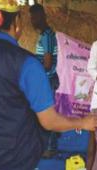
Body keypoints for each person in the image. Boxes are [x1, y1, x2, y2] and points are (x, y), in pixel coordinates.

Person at [0, 1, 97, 170]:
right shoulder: (26, 64)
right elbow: (49, 121)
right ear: (17, 23)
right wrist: (82, 122)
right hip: (11, 168)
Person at [29, 3, 60, 156]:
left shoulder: (47, 35)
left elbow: (47, 64)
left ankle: (50, 147)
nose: (32, 20)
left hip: (48, 80)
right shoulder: (44, 35)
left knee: (47, 113)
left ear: (42, 17)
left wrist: (33, 68)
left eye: (34, 17)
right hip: (46, 79)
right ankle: (48, 145)